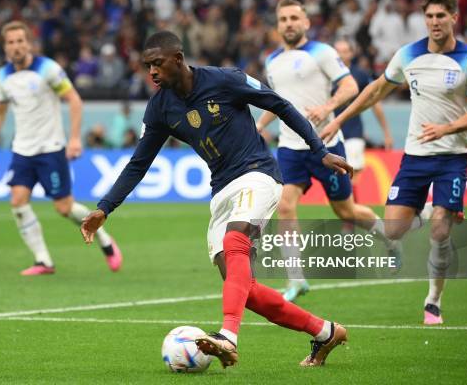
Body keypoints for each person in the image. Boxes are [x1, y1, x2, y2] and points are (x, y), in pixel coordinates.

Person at [81, 31, 352, 368]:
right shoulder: (160, 107)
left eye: (157, 64)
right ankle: (326, 332)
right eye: (147, 65)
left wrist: (320, 150)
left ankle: (228, 337)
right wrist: (105, 207)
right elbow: (139, 161)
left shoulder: (226, 80)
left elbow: (279, 104)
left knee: (235, 240)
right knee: (246, 290)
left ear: (178, 59)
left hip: (259, 175)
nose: (151, 72)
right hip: (222, 190)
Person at [320, 0, 467, 325]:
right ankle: (436, 209)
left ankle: (433, 301)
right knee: (395, 229)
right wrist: (338, 118)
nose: (435, 21)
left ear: (454, 17)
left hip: (453, 156)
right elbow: (375, 91)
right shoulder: (409, 54)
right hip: (415, 155)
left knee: (440, 232)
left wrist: (446, 129)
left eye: (441, 15)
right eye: (429, 16)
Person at [256, 0, 400, 302]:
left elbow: (349, 87)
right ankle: (296, 280)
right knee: (284, 206)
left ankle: (388, 235)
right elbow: (277, 101)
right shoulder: (272, 61)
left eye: (295, 17)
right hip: (290, 147)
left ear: (306, 22)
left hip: (325, 145)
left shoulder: (323, 52)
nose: (289, 24)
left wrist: (328, 107)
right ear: (278, 25)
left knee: (345, 210)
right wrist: (258, 125)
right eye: (283, 19)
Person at [0, 21, 122, 276]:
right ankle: (43, 261)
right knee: (18, 201)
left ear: (28, 43)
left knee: (63, 208)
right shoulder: (3, 76)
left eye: (20, 41)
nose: (16, 46)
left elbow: (74, 99)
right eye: (11, 42)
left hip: (51, 148)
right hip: (22, 150)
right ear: (5, 47)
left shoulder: (47, 69)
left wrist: (75, 138)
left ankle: (105, 240)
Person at [334, 39, 394, 233]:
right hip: (332, 134)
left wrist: (386, 132)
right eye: (338, 51)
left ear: (351, 53)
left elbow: (375, 102)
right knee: (342, 179)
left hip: (353, 133)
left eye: (345, 51)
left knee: (351, 177)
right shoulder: (330, 74)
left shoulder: (359, 75)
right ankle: (351, 216)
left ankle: (350, 221)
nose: (341, 55)